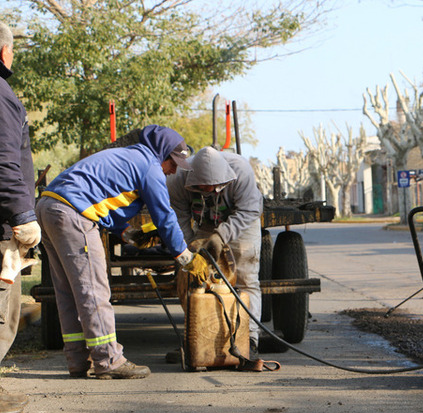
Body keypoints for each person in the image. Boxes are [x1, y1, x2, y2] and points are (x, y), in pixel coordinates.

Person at [36, 126, 209, 379]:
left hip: (48, 206)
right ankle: (109, 360)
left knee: (69, 291)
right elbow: (165, 216)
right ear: (162, 154)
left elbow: (104, 197)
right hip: (73, 214)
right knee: (94, 289)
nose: (174, 170)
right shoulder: (149, 166)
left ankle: (77, 359)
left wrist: (126, 232)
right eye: (173, 163)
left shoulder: (128, 157)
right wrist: (184, 256)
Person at [167, 146, 263, 359]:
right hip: (205, 222)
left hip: (242, 221)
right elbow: (179, 217)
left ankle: (250, 337)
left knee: (246, 279)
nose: (208, 189)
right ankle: (199, 337)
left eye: (213, 187)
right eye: (203, 187)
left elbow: (250, 209)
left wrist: (221, 236)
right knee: (195, 279)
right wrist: (190, 246)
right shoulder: (177, 179)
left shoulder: (241, 171)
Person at [0, 22, 40, 413]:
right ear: (3, 52)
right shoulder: (2, 95)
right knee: (2, 310)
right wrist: (23, 215)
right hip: (2, 224)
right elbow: (4, 163)